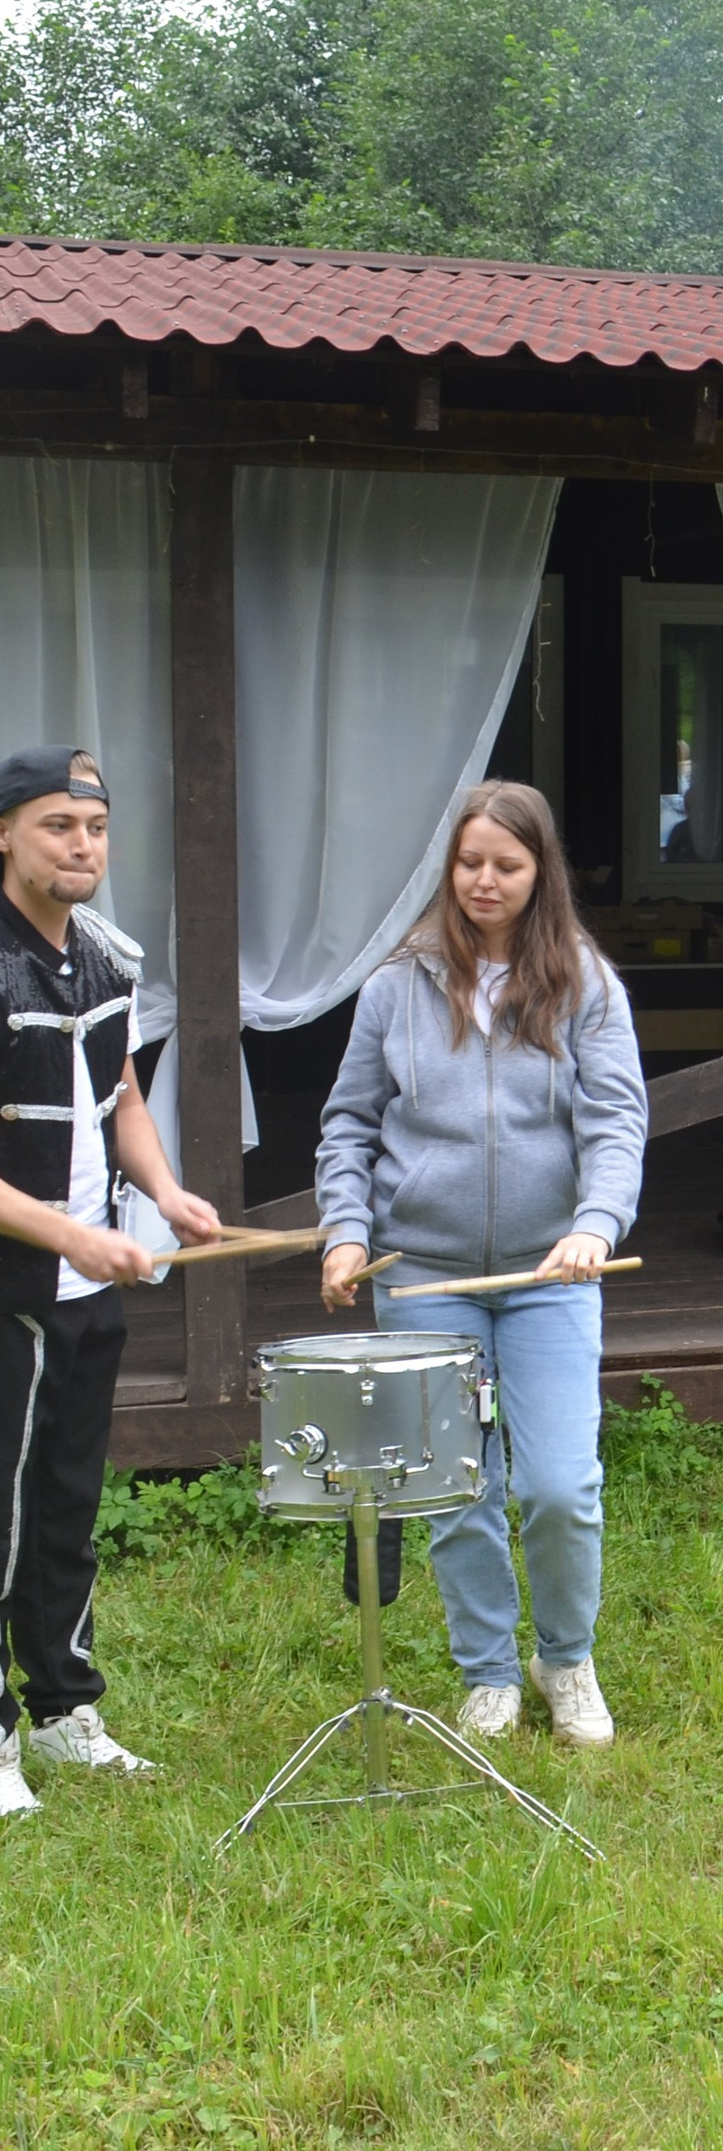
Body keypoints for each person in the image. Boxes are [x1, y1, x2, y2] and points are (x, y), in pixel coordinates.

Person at [316, 782, 647, 1748]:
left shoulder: (584, 982)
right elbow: (348, 1123)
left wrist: (596, 1222)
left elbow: (619, 1119)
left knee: (558, 1485)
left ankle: (566, 1657)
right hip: (421, 1277)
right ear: (448, 869)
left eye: (507, 865)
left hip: (552, 1277)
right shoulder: (397, 984)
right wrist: (345, 1232)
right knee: (455, 1486)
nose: (485, 882)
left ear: (541, 871)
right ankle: (489, 1670)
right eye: (470, 864)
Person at [0, 747, 225, 1814]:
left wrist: (166, 1194)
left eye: (93, 827)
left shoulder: (105, 956)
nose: (81, 845)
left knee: (66, 1507)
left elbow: (121, 1094)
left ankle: (61, 1710)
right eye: (56, 826)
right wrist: (67, 1235)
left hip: (87, 1292)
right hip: (13, 1288)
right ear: (6, 835)